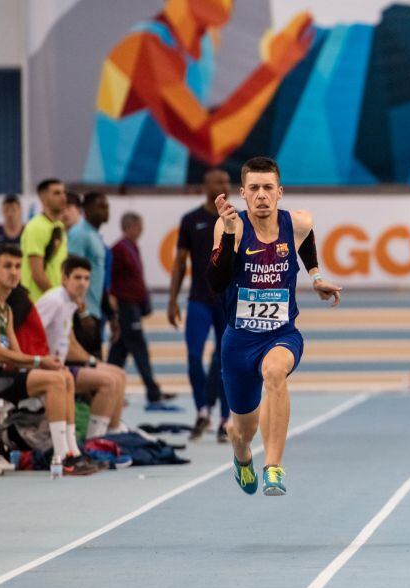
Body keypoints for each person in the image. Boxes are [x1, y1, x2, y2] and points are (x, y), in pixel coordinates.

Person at [207, 156, 341, 496]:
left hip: (282, 334)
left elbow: (307, 239)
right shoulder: (229, 226)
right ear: (243, 193)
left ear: (280, 192)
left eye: (268, 188)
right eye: (254, 188)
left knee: (275, 373)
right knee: (243, 430)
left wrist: (316, 276)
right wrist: (228, 239)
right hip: (238, 342)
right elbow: (217, 282)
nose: (261, 195)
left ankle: (274, 468)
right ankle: (241, 455)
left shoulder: (297, 222)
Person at [88, 0, 313, 183]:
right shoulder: (143, 46)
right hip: (116, 201)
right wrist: (273, 70)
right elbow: (211, 143)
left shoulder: (203, 47)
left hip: (165, 199)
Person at [0, 244, 97, 476]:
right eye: (7, 266)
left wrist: (46, 362)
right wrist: (40, 362)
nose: (14, 272)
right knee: (53, 380)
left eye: (18, 266)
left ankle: (73, 451)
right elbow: (0, 353)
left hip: (5, 376)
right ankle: (60, 457)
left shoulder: (7, 311)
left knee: (63, 376)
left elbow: (18, 354)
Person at [36, 255, 129, 440]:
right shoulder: (54, 301)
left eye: (86, 278)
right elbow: (31, 333)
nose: (83, 283)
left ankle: (113, 430)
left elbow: (69, 343)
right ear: (64, 279)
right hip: (48, 367)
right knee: (109, 382)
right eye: (77, 278)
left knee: (120, 374)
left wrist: (92, 361)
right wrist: (41, 362)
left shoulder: (70, 302)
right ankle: (95, 440)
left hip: (63, 364)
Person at [169, 169, 231, 442]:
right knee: (194, 356)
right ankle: (202, 412)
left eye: (228, 182)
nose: (224, 186)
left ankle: (226, 419)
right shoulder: (191, 220)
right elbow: (180, 262)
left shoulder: (238, 220)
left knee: (226, 360)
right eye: (219, 181)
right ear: (205, 185)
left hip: (227, 301)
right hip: (199, 300)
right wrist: (172, 300)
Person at [107, 212, 177, 411]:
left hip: (133, 306)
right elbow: (108, 277)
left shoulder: (131, 247)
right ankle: (153, 392)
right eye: (139, 226)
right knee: (139, 348)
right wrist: (113, 303)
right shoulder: (119, 249)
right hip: (125, 307)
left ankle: (107, 387)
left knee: (118, 351)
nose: (142, 230)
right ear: (129, 227)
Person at [67, 192, 112, 358]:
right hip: (82, 313)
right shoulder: (80, 234)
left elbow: (98, 278)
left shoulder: (94, 235)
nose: (105, 211)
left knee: (95, 362)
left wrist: (111, 313)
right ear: (85, 209)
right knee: (88, 366)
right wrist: (83, 311)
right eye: (100, 207)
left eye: (106, 207)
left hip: (94, 310)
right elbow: (71, 274)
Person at [20, 179, 68, 302]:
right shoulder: (35, 227)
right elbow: (37, 273)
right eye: (57, 193)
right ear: (43, 198)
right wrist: (57, 299)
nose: (63, 197)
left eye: (63, 192)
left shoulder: (59, 226)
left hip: (55, 299)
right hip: (38, 302)